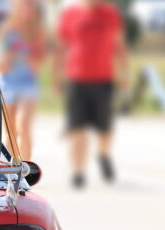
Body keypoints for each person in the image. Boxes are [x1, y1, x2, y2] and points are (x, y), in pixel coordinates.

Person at [54, 0, 129, 188]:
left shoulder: (110, 14)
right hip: (76, 79)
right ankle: (78, 172)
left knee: (105, 128)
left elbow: (119, 46)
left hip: (103, 78)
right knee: (77, 127)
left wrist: (125, 71)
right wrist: (56, 75)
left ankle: (103, 155)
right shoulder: (70, 14)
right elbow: (61, 48)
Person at [0, 0, 46, 161]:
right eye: (23, 9)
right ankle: (12, 170)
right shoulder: (7, 30)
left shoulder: (37, 32)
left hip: (27, 83)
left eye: (29, 9)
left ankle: (26, 171)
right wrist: (3, 58)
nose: (26, 13)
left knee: (24, 127)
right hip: (7, 81)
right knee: (10, 130)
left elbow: (39, 59)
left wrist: (32, 60)